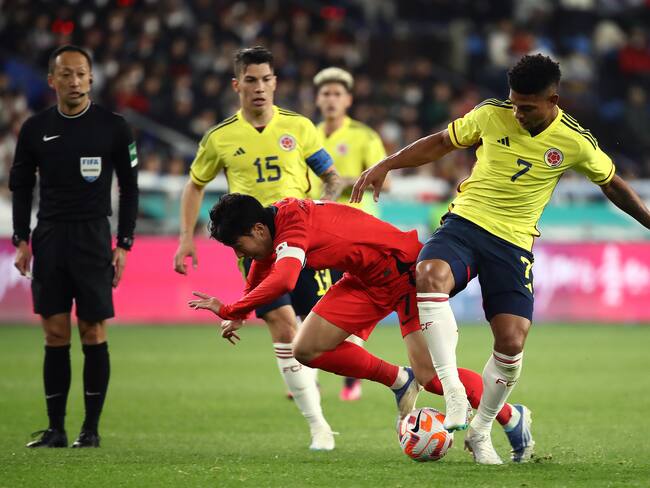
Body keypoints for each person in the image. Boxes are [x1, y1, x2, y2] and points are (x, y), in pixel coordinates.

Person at [351, 54, 650, 464]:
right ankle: (454, 393)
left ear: (553, 101)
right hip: (465, 223)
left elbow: (612, 184)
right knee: (428, 274)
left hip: (512, 244)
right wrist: (387, 162)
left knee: (511, 343)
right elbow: (441, 142)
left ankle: (481, 430)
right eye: (514, 103)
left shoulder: (575, 141)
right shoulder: (491, 115)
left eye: (527, 107)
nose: (517, 113)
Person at [188, 193, 534, 458]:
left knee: (431, 376)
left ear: (258, 229)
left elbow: (284, 279)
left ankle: (510, 416)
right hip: (365, 280)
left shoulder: (292, 226)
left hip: (403, 272)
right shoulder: (277, 225)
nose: (241, 253)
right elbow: (263, 265)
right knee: (305, 349)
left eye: (239, 245)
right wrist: (241, 309)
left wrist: (231, 307)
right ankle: (400, 379)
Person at [172, 46, 342, 451]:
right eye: (251, 80)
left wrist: (322, 205)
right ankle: (319, 426)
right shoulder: (220, 137)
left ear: (275, 83)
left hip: (302, 241)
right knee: (283, 326)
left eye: (267, 79)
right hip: (253, 250)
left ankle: (369, 380)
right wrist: (185, 236)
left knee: (324, 334)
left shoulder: (299, 127)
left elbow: (331, 176)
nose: (260, 88)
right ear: (237, 85)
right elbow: (195, 183)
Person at [9, 45, 139, 448]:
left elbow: (129, 187)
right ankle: (55, 429)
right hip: (49, 235)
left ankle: (91, 430)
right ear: (52, 80)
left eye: (81, 73)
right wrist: (20, 238)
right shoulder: (34, 129)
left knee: (92, 329)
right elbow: (21, 185)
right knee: (54, 333)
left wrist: (125, 243)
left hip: (93, 237)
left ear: (91, 78)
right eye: (66, 74)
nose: (75, 81)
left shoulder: (114, 127)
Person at [309, 66, 389, 401]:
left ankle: (351, 374)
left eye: (337, 94)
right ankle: (311, 373)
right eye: (325, 94)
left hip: (358, 233)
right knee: (317, 304)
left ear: (348, 100)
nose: (330, 99)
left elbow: (387, 178)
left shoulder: (364, 136)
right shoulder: (307, 134)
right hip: (319, 230)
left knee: (352, 305)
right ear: (317, 98)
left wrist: (343, 182)